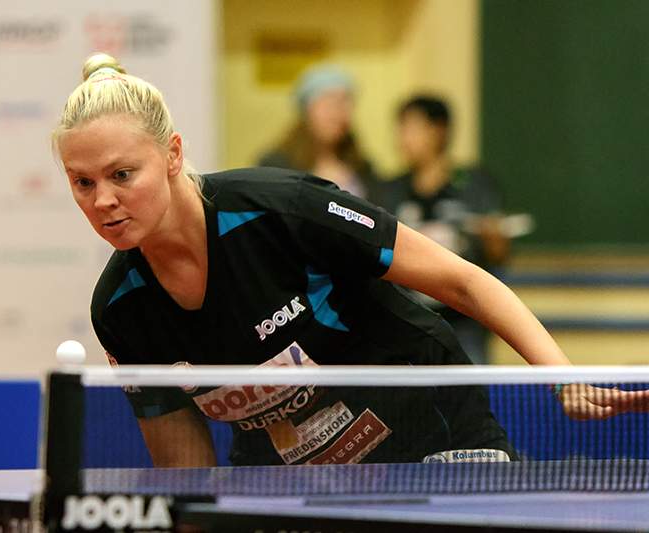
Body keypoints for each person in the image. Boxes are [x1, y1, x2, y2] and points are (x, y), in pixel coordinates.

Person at [52, 54, 648, 468]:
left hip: (427, 429)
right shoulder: (120, 309)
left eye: (122, 174)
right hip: (289, 471)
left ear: (173, 155)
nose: (102, 201)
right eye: (83, 182)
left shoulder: (279, 210)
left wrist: (562, 378)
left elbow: (463, 281)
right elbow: (185, 469)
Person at [378, 96, 509, 364]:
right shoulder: (389, 192)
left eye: (412, 128)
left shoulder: (474, 186)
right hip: (406, 322)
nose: (402, 139)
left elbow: (499, 254)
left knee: (472, 388)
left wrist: (493, 237)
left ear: (439, 130)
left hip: (465, 322)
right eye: (400, 129)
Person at [257, 64, 385, 204]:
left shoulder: (362, 168)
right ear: (306, 111)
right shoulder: (276, 167)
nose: (338, 114)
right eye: (330, 104)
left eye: (345, 104)